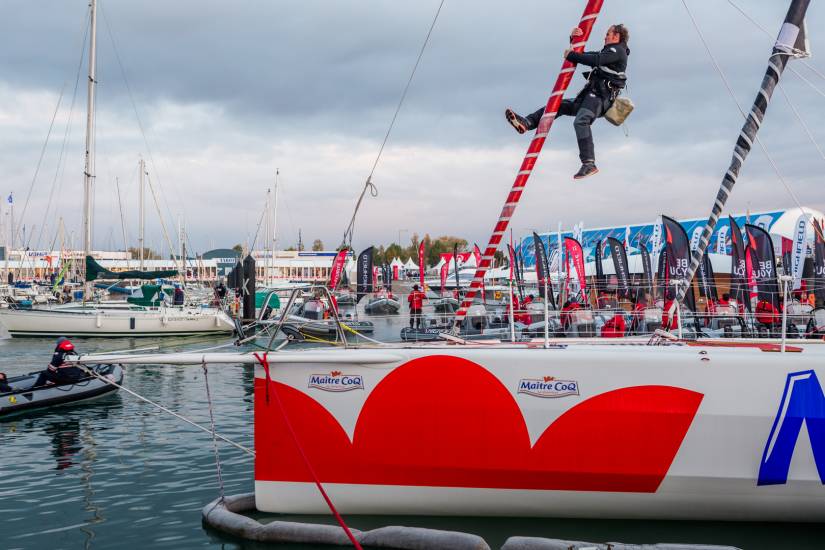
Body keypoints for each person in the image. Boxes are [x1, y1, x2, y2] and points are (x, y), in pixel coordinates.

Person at [505, 24, 630, 179]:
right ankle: (527, 122)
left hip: (600, 98)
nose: (605, 36)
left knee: (581, 121)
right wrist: (574, 40)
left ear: (616, 36)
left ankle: (589, 163)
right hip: (591, 97)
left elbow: (594, 60)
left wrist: (571, 55)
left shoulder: (617, 50)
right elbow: (584, 55)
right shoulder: (609, 51)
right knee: (558, 106)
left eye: (608, 33)